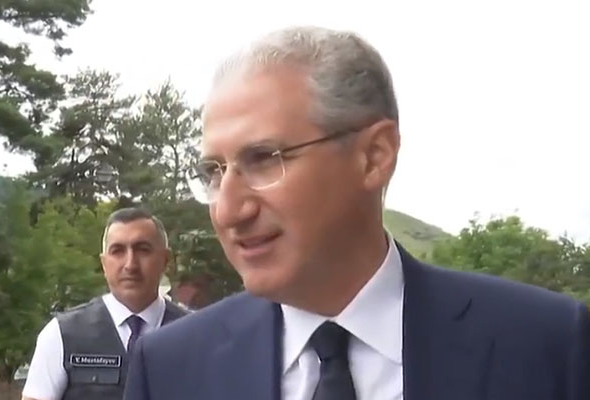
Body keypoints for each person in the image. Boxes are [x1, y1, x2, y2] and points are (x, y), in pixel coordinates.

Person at [124, 26, 590, 400]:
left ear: (374, 156)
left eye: (264, 159)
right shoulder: (169, 369)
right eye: (213, 171)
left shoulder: (545, 346)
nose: (228, 211)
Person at [22, 207, 188, 400]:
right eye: (117, 251)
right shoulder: (62, 334)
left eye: (143, 250)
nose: (130, 265)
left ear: (165, 260)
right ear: (104, 263)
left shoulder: (197, 336)